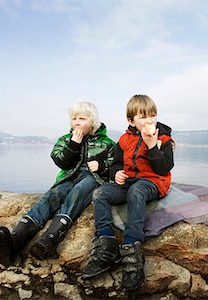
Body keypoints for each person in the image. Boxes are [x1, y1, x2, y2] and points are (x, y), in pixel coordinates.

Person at [0, 102, 115, 266]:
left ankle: (50, 239)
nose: (76, 122)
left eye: (82, 118)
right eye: (74, 118)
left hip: (93, 178)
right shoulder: (65, 140)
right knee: (52, 195)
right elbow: (60, 161)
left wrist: (102, 166)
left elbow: (115, 163)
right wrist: (73, 145)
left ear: (93, 121)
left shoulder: (107, 143)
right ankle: (14, 241)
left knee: (78, 192)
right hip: (68, 175)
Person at [82, 95, 174, 292]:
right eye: (143, 117)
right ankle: (106, 243)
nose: (149, 121)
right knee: (100, 194)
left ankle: (132, 249)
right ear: (131, 121)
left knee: (136, 191)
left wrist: (151, 145)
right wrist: (117, 173)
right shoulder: (124, 139)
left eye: (153, 116)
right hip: (129, 181)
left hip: (152, 182)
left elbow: (164, 168)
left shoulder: (163, 139)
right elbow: (115, 163)